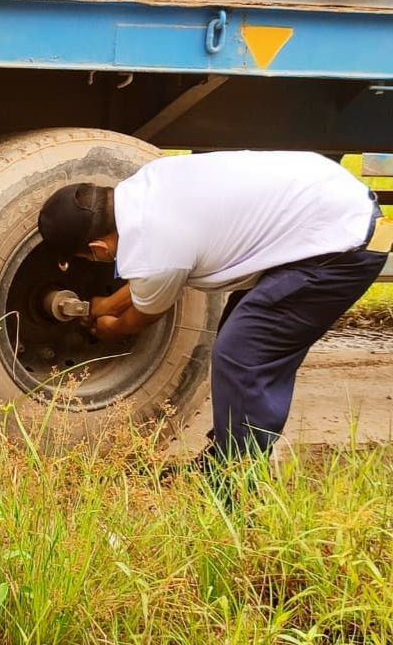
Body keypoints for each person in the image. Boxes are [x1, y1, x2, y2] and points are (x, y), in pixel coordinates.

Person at [37, 151, 390, 462]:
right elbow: (150, 279)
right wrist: (101, 306)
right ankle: (228, 450)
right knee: (240, 329)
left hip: (342, 243)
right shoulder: (146, 184)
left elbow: (137, 317)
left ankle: (235, 475)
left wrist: (108, 326)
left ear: (99, 248)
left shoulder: (158, 248)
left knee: (243, 354)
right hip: (324, 204)